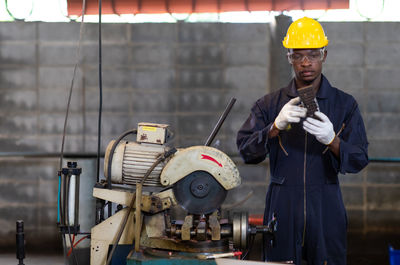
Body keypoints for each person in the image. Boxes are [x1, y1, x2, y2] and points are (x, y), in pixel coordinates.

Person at [236, 17, 369, 265]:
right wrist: (274, 127)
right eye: (298, 55)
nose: (306, 62)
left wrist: (333, 141)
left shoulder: (345, 105)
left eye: (313, 54)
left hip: (326, 205)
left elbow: (360, 158)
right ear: (289, 57)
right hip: (282, 205)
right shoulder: (269, 105)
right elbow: (246, 151)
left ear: (324, 55)